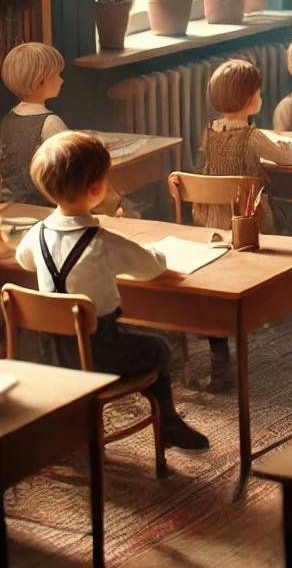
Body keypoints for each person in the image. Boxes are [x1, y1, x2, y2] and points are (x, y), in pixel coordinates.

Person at [16, 132, 207, 449]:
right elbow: (152, 266)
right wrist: (155, 253)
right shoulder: (103, 243)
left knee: (138, 347)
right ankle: (168, 423)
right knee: (159, 349)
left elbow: (25, 261)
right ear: (97, 188)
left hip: (47, 355)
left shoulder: (37, 234)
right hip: (96, 355)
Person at [194, 58, 292, 391]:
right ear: (252, 99)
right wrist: (288, 146)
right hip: (248, 222)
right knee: (282, 218)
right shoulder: (252, 136)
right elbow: (285, 158)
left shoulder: (209, 132)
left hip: (210, 221)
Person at [0, 42, 68, 205]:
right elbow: (70, 163)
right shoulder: (50, 123)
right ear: (40, 82)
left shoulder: (8, 119)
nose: (61, 80)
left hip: (11, 201)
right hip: (44, 202)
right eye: (56, 76)